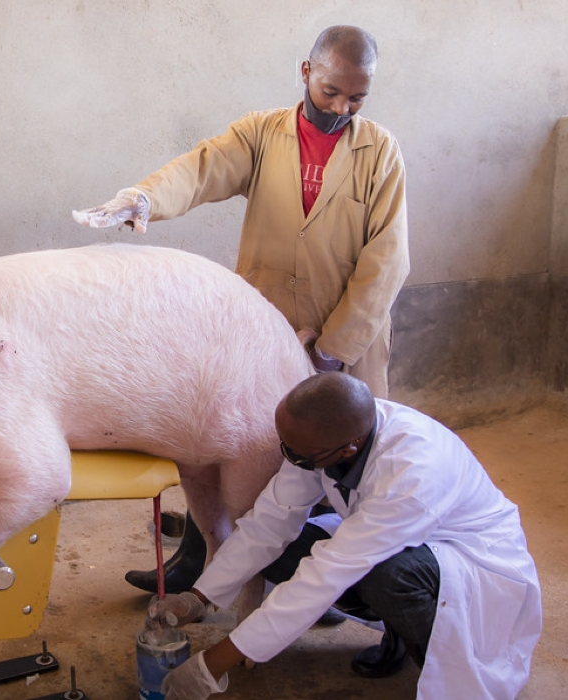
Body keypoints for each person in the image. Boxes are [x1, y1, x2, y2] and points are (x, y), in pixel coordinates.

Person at [73, 25, 410, 595]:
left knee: (341, 461)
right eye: (330, 91)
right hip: (263, 326)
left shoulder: (380, 152)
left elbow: (387, 261)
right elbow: (202, 169)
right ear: (306, 72)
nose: (341, 107)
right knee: (230, 443)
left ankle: (325, 583)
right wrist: (146, 197)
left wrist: (332, 349)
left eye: (356, 98)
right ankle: (199, 558)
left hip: (348, 336)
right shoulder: (261, 134)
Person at [148, 372, 542, 699]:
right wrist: (199, 597)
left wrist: (212, 664)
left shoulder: (412, 472)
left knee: (385, 574)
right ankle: (399, 626)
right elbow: (270, 521)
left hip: (470, 563)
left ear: (349, 448)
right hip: (393, 539)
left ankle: (422, 648)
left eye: (299, 456)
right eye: (286, 447)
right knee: (286, 550)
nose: (290, 459)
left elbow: (328, 574)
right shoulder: (323, 438)